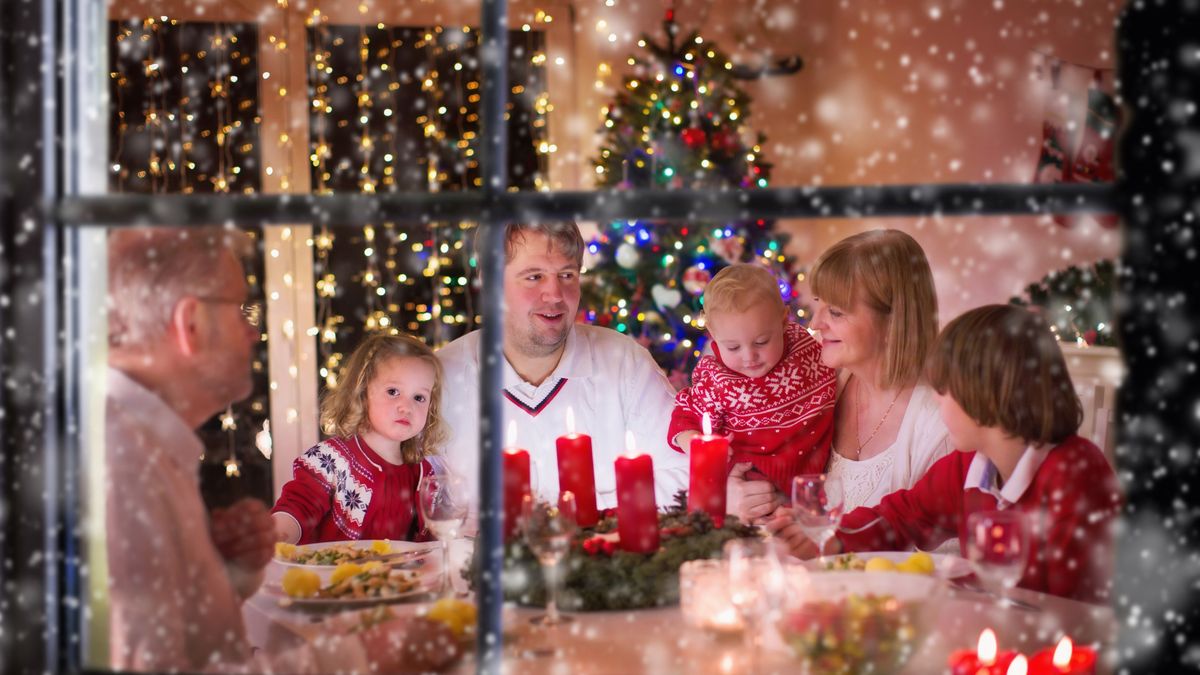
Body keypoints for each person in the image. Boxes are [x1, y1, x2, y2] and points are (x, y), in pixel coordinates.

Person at [105, 227, 456, 672]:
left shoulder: (155, 455)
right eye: (240, 312)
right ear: (189, 322)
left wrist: (234, 570)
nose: (254, 334)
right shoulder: (125, 472)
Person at [767, 305, 1121, 604]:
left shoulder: (1076, 474)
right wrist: (831, 537)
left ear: (985, 393)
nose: (936, 400)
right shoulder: (971, 466)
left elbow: (1075, 609)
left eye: (942, 389)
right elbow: (901, 518)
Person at [437, 222, 689, 511]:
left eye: (567, 275)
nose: (556, 295)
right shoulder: (442, 377)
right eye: (534, 277)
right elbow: (419, 500)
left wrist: (584, 514)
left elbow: (683, 474)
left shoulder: (624, 362)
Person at [728, 229, 952, 523]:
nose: (816, 322)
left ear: (892, 320)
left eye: (835, 312)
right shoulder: (819, 386)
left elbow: (944, 558)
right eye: (818, 302)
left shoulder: (939, 423)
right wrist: (737, 498)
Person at [668, 263, 836, 495]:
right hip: (753, 488)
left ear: (784, 320)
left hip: (814, 481)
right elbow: (686, 416)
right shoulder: (716, 379)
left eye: (761, 342)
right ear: (713, 334)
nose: (749, 357)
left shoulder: (806, 349)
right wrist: (695, 442)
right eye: (733, 347)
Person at [272, 332, 446, 544]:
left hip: (399, 577)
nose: (407, 407)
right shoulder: (331, 460)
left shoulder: (422, 474)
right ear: (362, 393)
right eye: (393, 391)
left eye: (419, 397)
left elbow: (429, 542)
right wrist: (278, 537)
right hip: (332, 575)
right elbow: (299, 505)